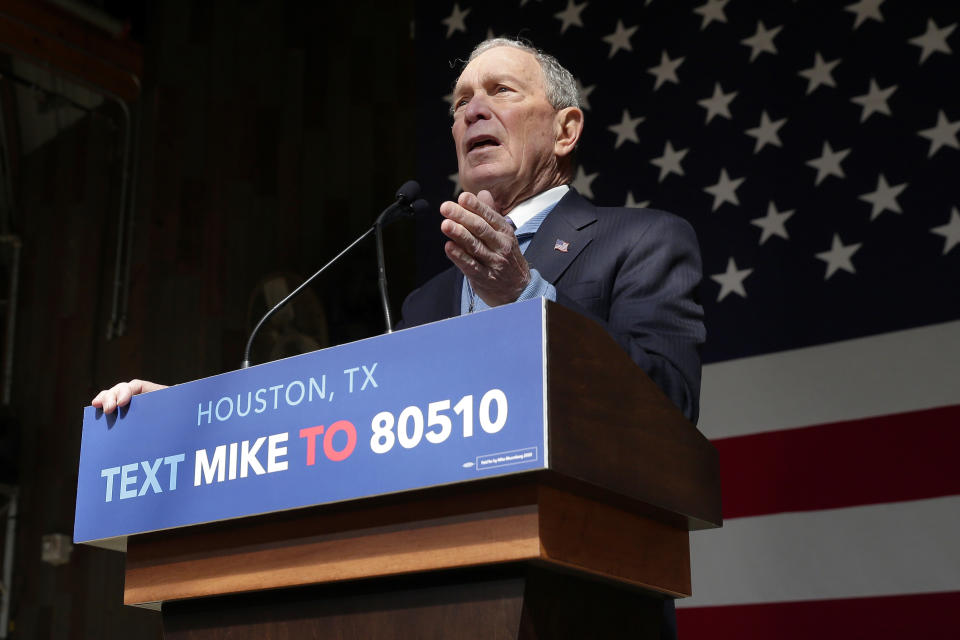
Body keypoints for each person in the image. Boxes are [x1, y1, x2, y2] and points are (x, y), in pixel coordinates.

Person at [92, 37, 703, 638]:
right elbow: (344, 428)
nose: (471, 110)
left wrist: (524, 296)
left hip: (579, 602)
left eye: (500, 91)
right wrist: (186, 422)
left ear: (566, 130)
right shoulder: (427, 299)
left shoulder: (642, 241)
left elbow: (666, 406)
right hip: (432, 600)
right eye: (459, 102)